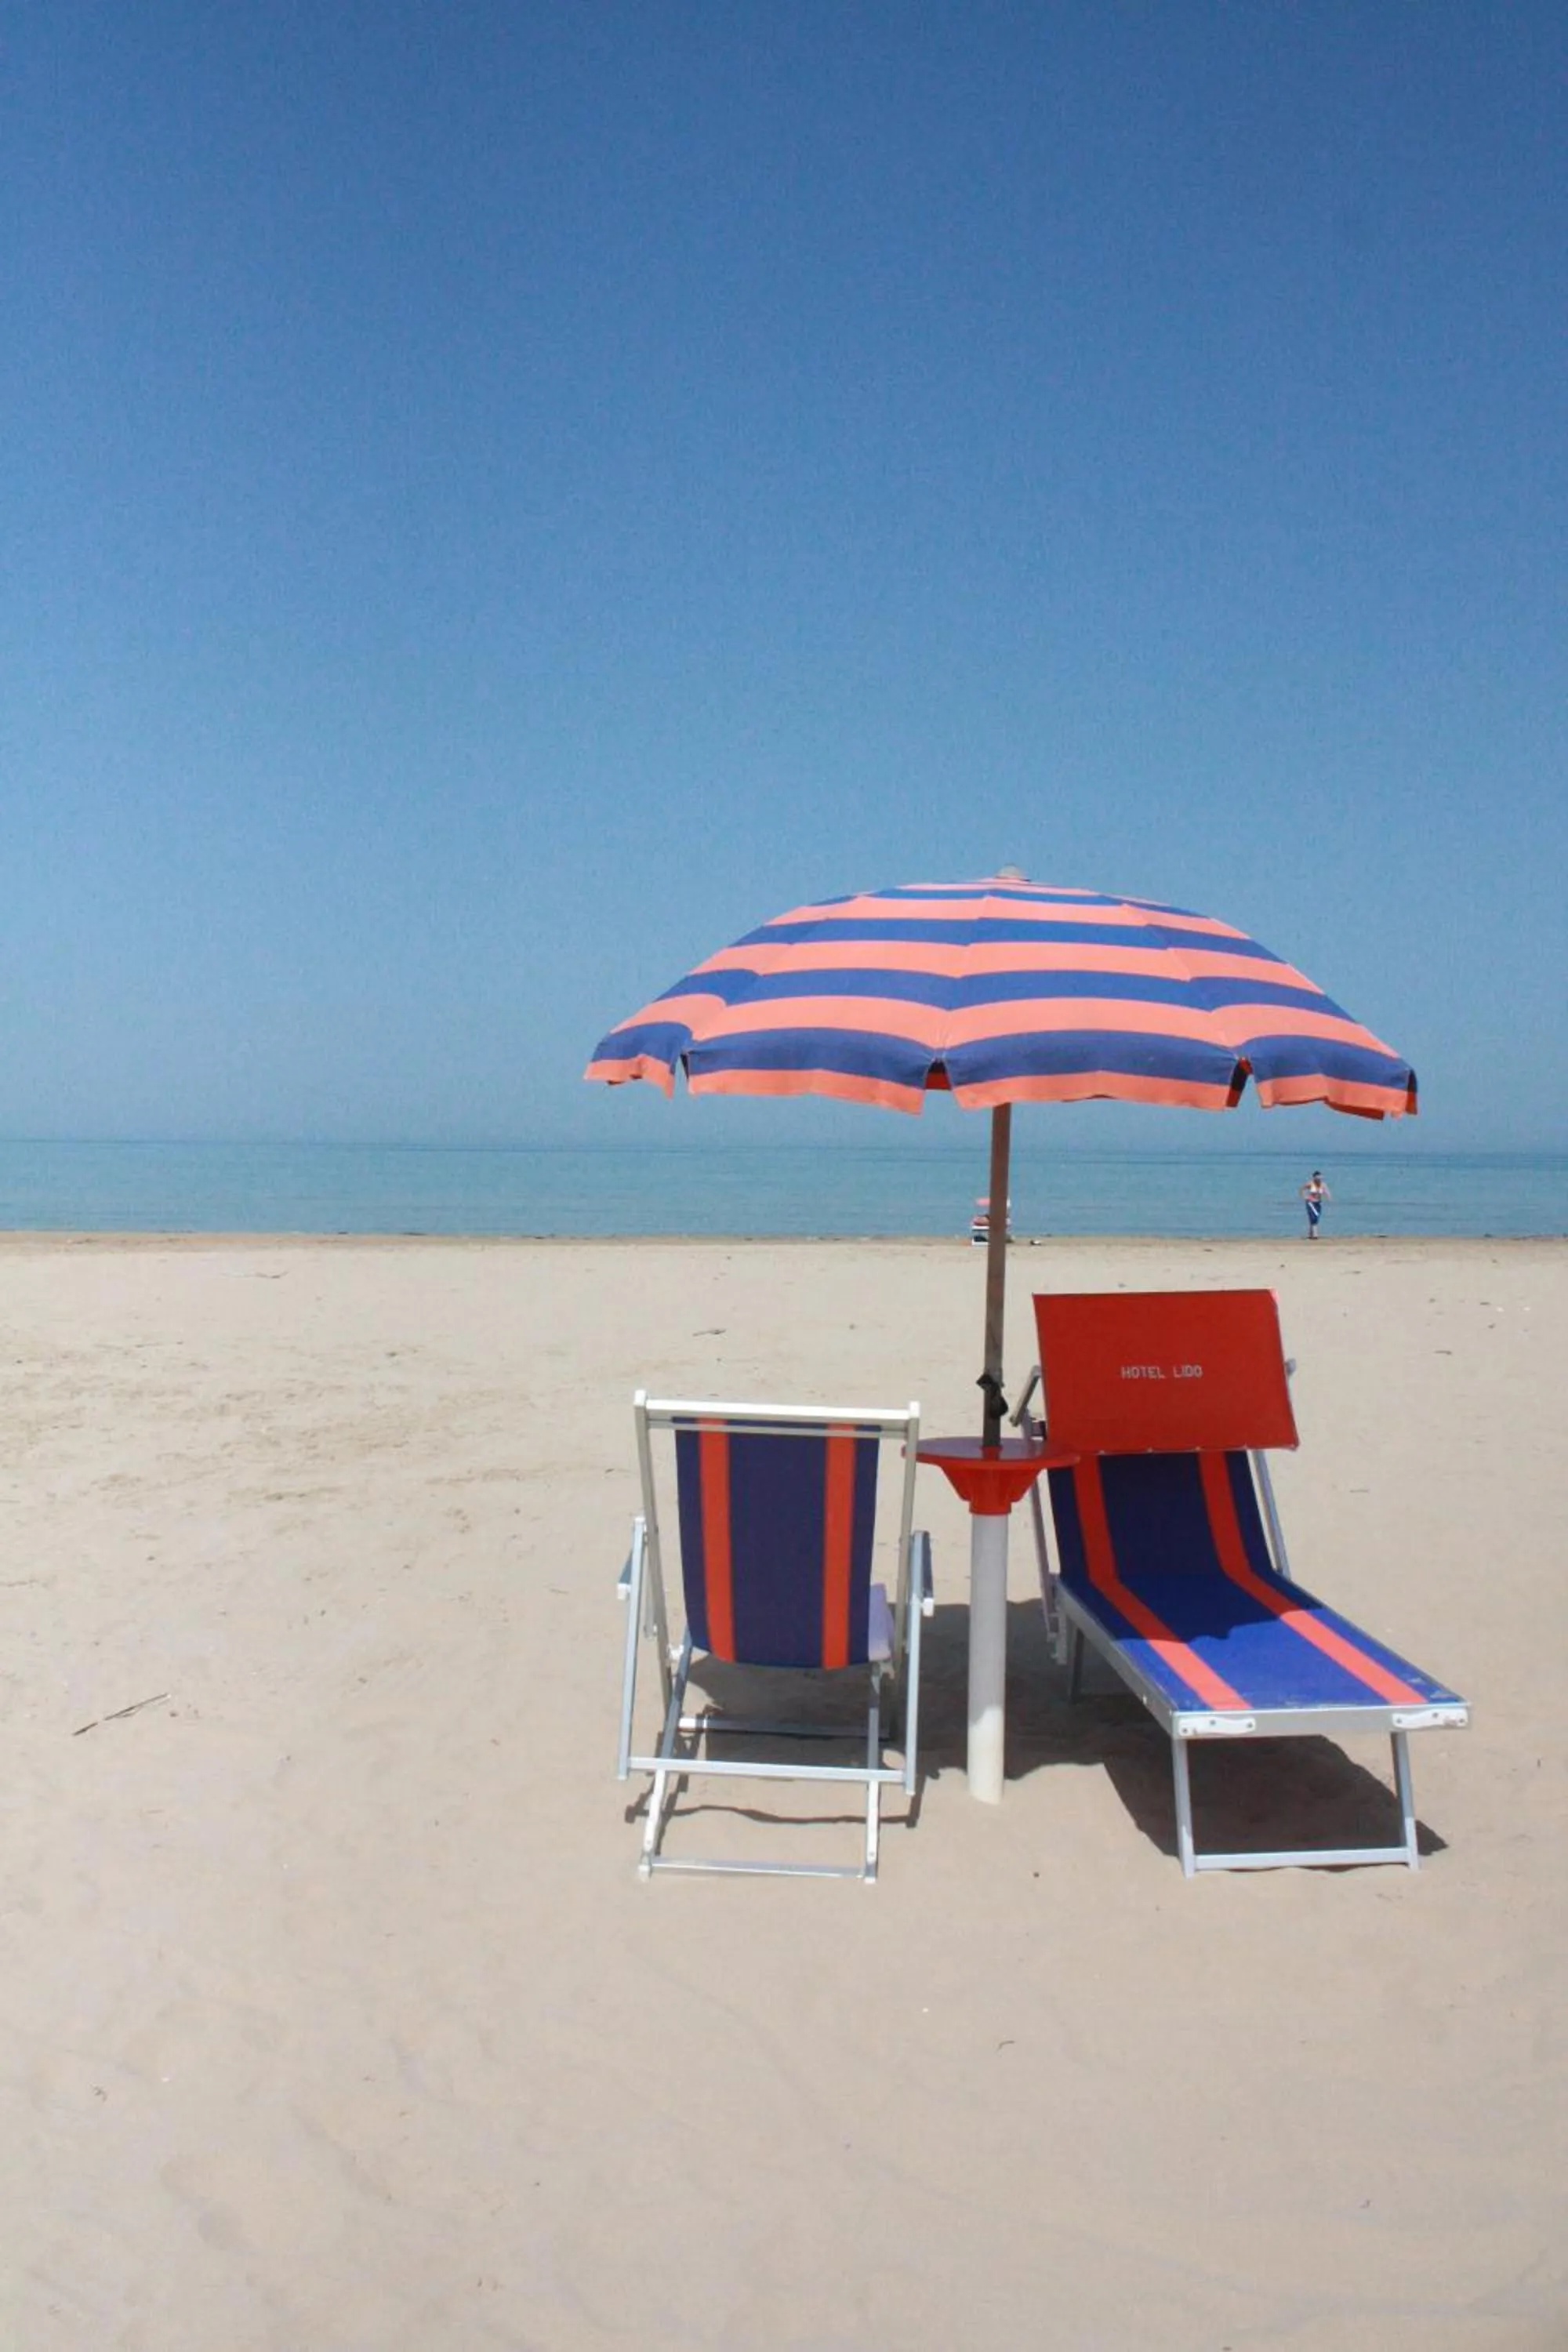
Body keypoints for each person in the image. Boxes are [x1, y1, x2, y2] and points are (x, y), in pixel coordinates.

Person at [1299, 1169, 1330, 1240]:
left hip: (1318, 1203)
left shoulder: (1323, 1185)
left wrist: (1329, 1198)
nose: (1319, 1179)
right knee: (1314, 1218)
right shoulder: (1310, 1183)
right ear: (1314, 1177)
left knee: (1315, 1219)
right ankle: (1315, 1235)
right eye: (1318, 1177)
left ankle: (1310, 1234)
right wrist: (1304, 1197)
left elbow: (1326, 1192)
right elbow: (1302, 1189)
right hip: (1310, 1203)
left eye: (1320, 1177)